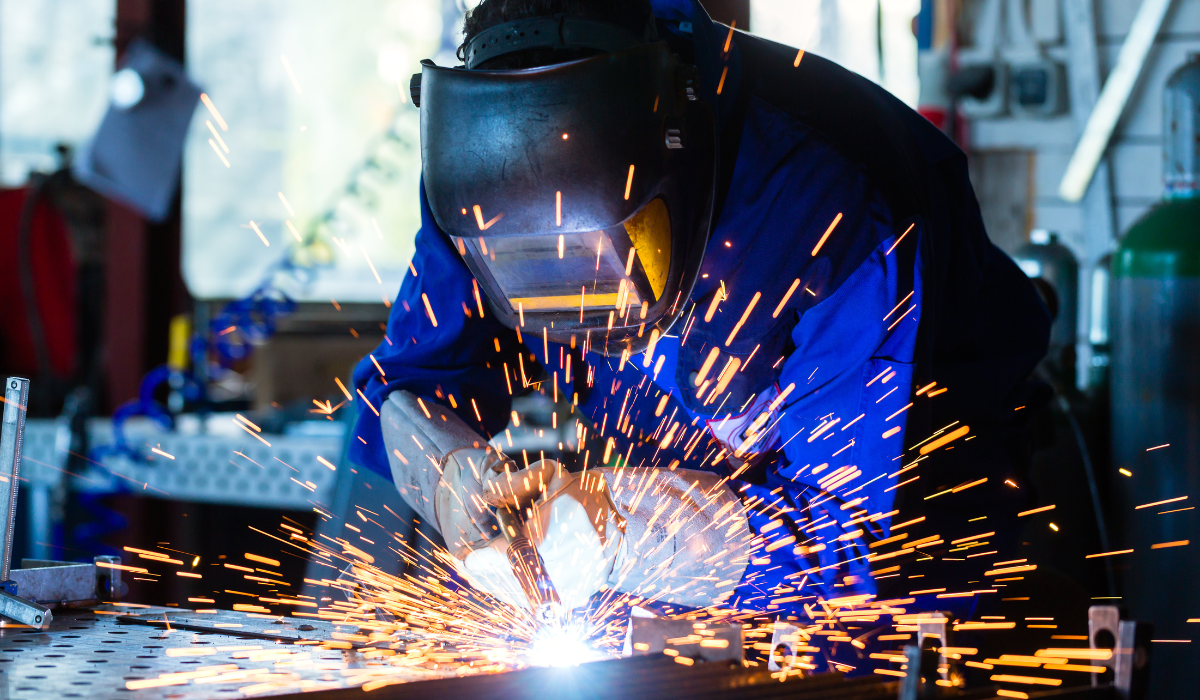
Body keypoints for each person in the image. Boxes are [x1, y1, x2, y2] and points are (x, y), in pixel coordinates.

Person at [352, 0, 1050, 672]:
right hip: (666, 557)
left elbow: (846, 541)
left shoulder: (830, 208)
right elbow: (410, 388)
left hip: (903, 550)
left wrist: (625, 532)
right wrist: (451, 478)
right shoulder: (477, 181)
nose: (572, 305)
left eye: (591, 256)